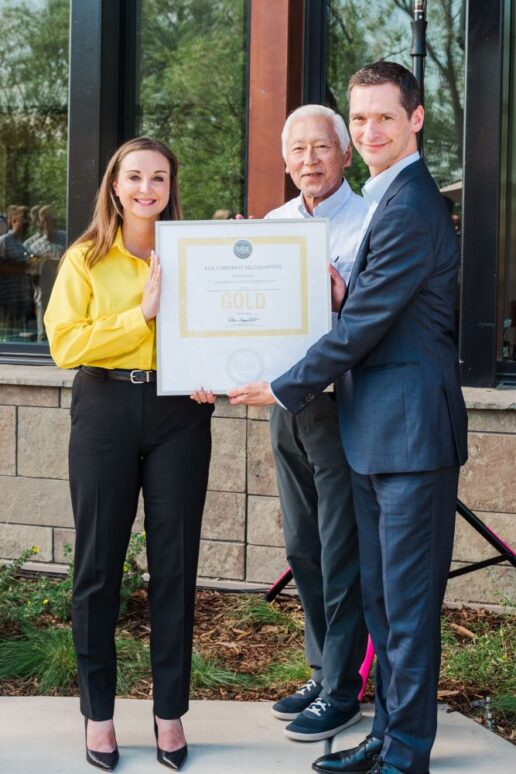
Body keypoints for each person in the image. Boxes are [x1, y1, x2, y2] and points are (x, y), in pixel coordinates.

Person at [228, 61, 468, 774]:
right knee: (383, 603)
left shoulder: (413, 203)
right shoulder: (390, 196)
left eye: (383, 118)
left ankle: (406, 756)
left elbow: (364, 324)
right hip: (374, 435)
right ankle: (383, 739)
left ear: (415, 120)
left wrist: (281, 385)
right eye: (359, 118)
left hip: (411, 438)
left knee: (408, 612)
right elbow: (366, 305)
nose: (369, 131)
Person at [45, 136, 214, 772]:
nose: (147, 189)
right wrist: (140, 317)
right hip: (105, 411)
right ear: (115, 185)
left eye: (160, 178)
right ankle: (99, 714)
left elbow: (216, 329)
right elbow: (66, 345)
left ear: (172, 188)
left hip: (179, 413)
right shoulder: (85, 258)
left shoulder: (192, 258)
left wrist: (214, 370)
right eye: (135, 177)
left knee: (175, 567)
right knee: (97, 569)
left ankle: (169, 712)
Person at [265, 105, 368, 742]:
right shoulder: (272, 226)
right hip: (283, 403)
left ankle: (344, 687)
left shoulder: (369, 221)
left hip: (341, 405)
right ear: (286, 161)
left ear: (345, 153)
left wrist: (342, 299)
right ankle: (321, 668)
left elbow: (375, 317)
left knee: (341, 548)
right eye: (298, 149)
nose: (309, 159)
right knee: (303, 546)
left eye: (322, 147)